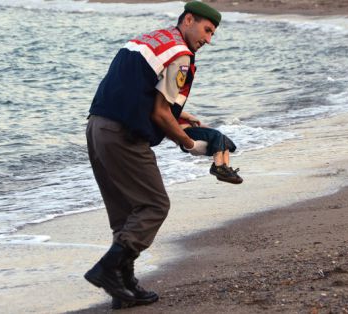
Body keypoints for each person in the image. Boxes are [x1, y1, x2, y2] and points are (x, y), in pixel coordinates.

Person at [83, 1, 221, 309]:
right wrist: (189, 144)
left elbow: (138, 92)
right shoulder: (181, 55)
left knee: (125, 214)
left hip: (96, 128)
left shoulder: (152, 38)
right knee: (154, 205)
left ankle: (123, 287)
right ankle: (107, 268)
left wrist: (182, 118)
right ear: (188, 19)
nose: (208, 40)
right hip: (122, 135)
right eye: (207, 30)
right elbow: (160, 114)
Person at [178, 112, 243, 184]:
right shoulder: (173, 109)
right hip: (186, 132)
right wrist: (189, 116)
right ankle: (218, 167)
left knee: (223, 138)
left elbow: (200, 124)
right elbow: (174, 110)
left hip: (194, 130)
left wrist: (216, 134)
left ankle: (225, 171)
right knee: (217, 135)